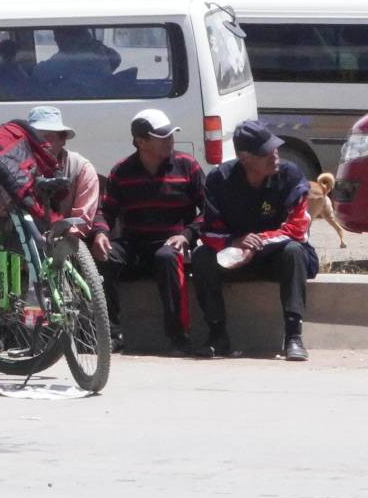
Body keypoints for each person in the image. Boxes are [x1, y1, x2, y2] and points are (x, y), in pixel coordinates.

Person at [192, 120, 318, 361]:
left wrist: (257, 242)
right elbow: (208, 230)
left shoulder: (291, 175)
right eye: (265, 152)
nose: (274, 155)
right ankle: (217, 335)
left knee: (294, 251)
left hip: (276, 257)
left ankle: (293, 336)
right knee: (201, 256)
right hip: (234, 257)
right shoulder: (219, 179)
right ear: (244, 157)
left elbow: (297, 228)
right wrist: (235, 243)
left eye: (275, 147)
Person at [90, 109, 205, 354]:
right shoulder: (122, 171)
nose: (170, 141)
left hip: (171, 243)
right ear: (141, 142)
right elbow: (104, 212)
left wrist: (187, 235)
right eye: (162, 137)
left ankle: (178, 338)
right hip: (134, 242)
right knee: (104, 257)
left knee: (167, 256)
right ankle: (111, 334)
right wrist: (100, 233)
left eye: (171, 135)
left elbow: (210, 210)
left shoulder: (188, 166)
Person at [25, 106, 98, 238]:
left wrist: (56, 242)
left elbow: (82, 221)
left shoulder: (81, 168)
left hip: (66, 243)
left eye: (49, 137)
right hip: (25, 243)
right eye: (36, 137)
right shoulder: (17, 167)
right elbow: (5, 212)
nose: (42, 144)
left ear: (62, 139)